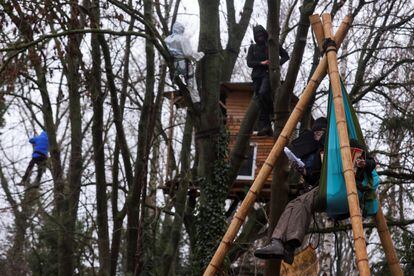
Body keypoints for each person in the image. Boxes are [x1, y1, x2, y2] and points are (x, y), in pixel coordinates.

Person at [254, 120, 377, 264]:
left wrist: (364, 164)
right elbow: (317, 179)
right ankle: (278, 242)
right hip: (327, 189)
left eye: (319, 134)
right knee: (292, 204)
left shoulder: (351, 143)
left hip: (347, 188)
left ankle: (290, 245)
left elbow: (371, 163)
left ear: (327, 133)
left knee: (303, 202)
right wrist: (304, 172)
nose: (316, 137)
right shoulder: (322, 153)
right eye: (315, 134)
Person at [247, 25, 289, 136]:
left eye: (261, 35)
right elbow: (249, 63)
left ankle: (271, 112)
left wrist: (275, 64)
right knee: (260, 100)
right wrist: (261, 63)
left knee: (263, 92)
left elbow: (285, 56)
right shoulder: (253, 48)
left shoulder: (271, 45)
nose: (260, 37)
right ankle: (265, 125)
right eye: (257, 36)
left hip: (267, 74)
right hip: (256, 76)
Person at [165, 22, 205, 110]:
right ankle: (196, 103)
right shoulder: (183, 39)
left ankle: (179, 87)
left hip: (173, 64)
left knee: (178, 81)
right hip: (184, 63)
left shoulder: (167, 40)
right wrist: (199, 55)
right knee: (191, 83)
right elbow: (188, 53)